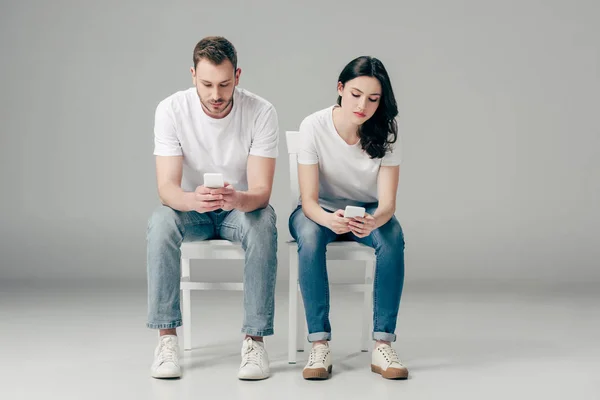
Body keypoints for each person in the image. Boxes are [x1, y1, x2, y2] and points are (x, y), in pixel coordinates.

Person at [146, 36, 278, 380]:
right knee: (160, 223)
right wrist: (194, 200)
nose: (216, 95)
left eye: (224, 84)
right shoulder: (171, 110)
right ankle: (166, 340)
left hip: (240, 209)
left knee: (263, 222)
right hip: (192, 209)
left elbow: (262, 192)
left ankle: (254, 341)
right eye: (206, 84)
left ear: (238, 75)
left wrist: (239, 199)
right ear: (192, 75)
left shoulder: (260, 111)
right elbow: (167, 189)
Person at [289, 56, 408, 380]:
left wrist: (375, 220)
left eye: (373, 99)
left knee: (392, 238)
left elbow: (387, 204)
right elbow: (309, 200)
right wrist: (328, 220)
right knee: (310, 238)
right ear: (340, 89)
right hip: (317, 211)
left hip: (367, 212)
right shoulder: (313, 125)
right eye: (356, 94)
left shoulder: (386, 133)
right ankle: (319, 344)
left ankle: (383, 343)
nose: (363, 106)